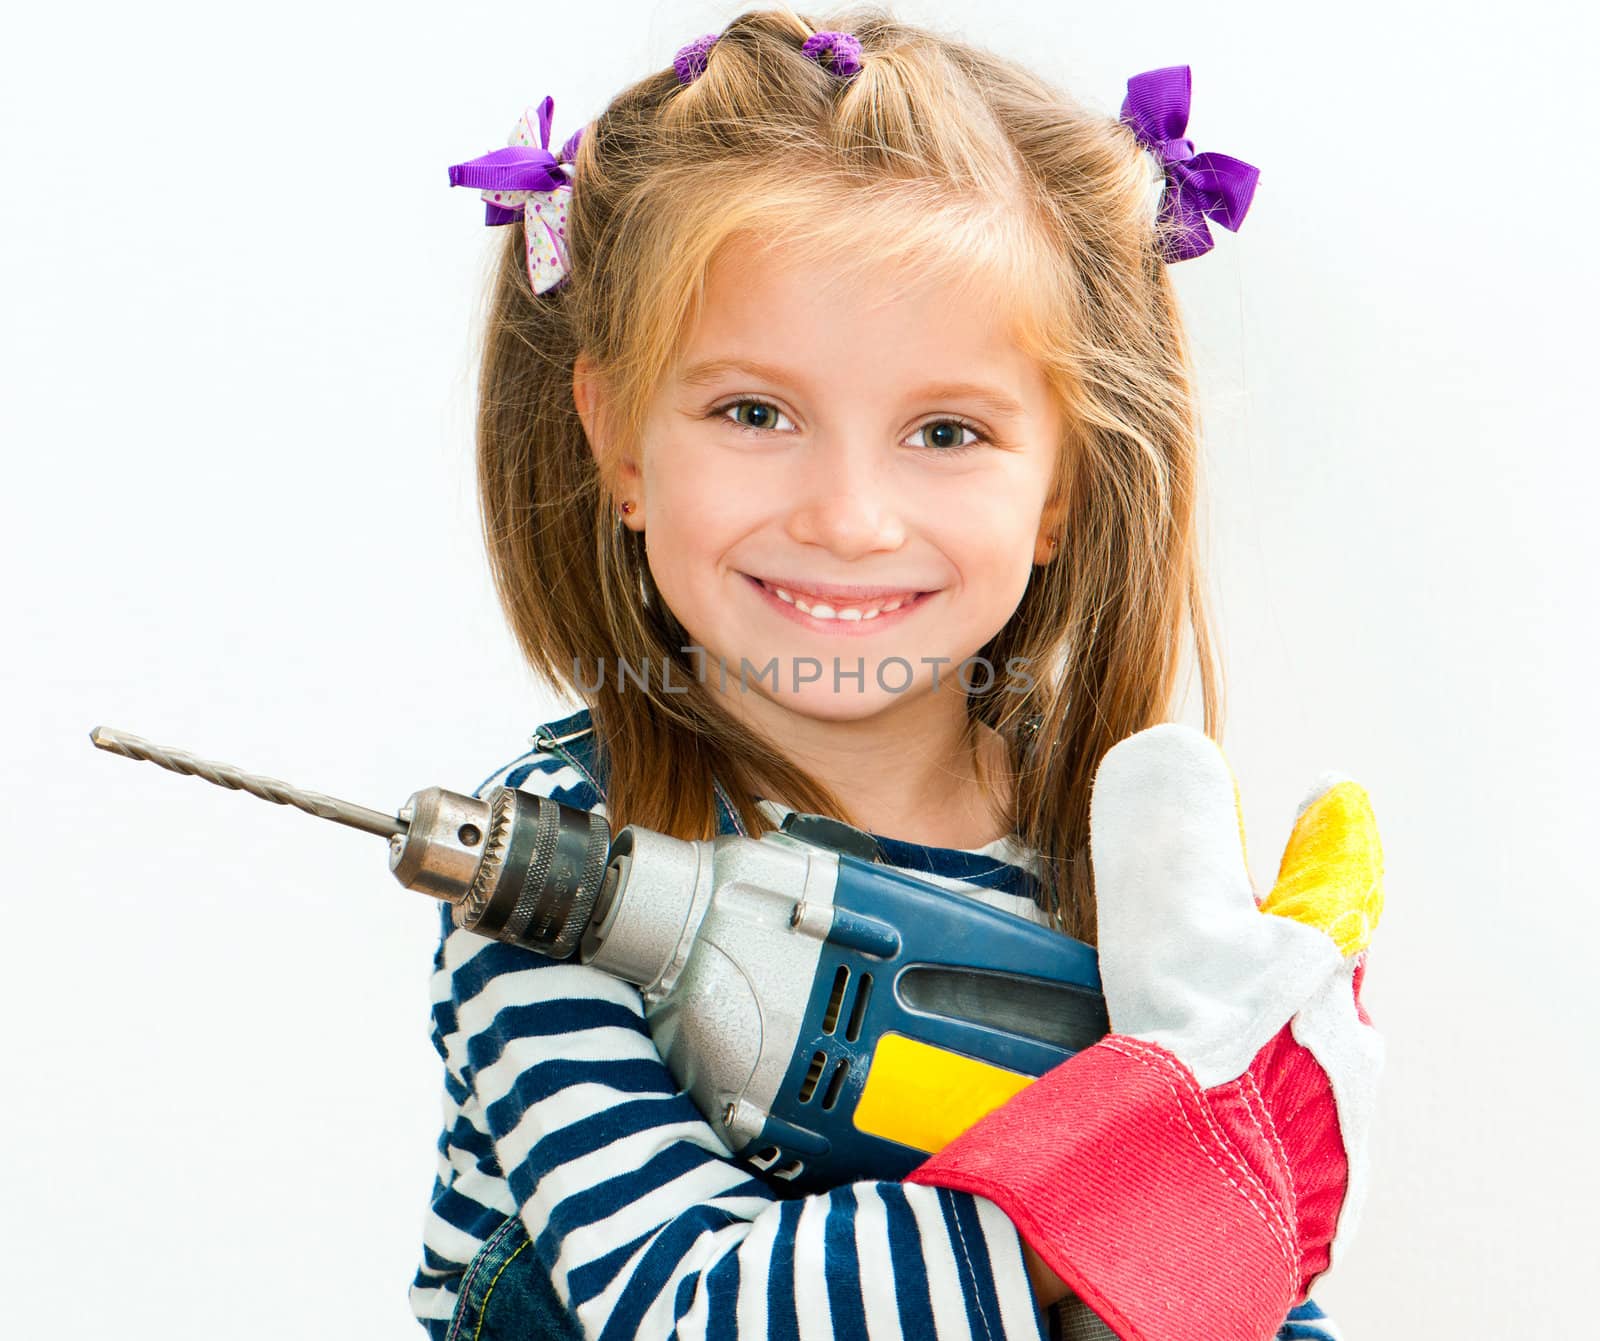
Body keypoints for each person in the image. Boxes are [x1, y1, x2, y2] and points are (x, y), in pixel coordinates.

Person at [411, 7, 1370, 1338]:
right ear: (620, 438)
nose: (850, 516)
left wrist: (1234, 1186)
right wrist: (1109, 1193)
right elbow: (687, 1307)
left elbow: (1245, 1290)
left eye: (945, 429)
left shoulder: (1112, 865)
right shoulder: (556, 870)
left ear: (1062, 486)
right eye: (756, 412)